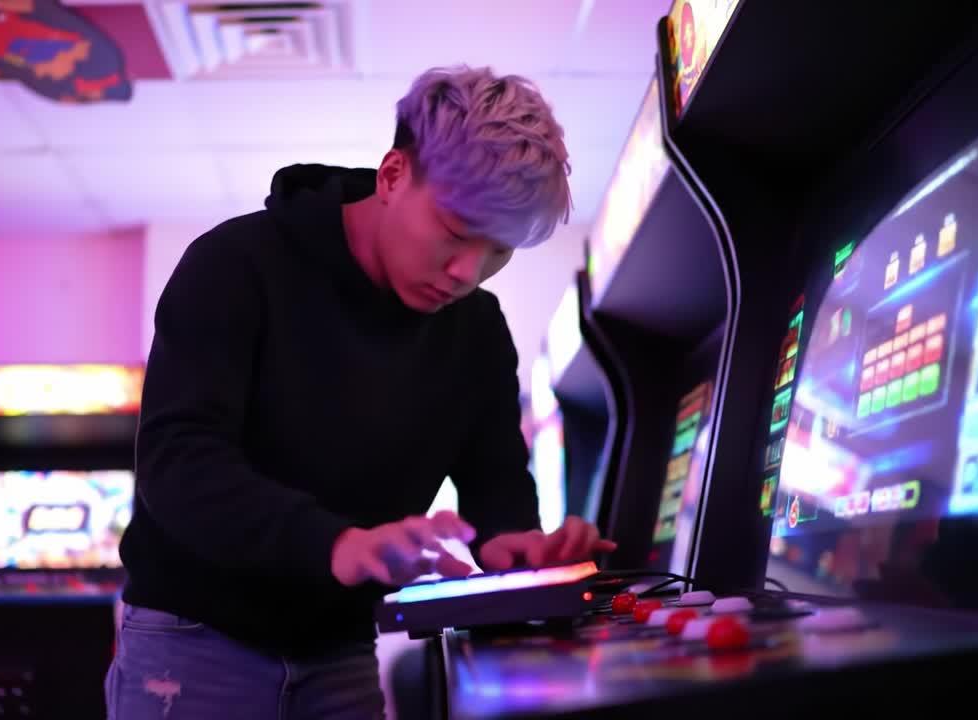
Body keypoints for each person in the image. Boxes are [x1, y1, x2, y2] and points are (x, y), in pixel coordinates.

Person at [105, 64, 615, 719]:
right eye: (457, 233)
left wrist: (517, 551)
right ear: (394, 175)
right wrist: (335, 543)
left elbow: (495, 486)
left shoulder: (477, 329)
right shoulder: (234, 266)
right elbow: (177, 465)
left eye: (498, 251)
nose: (468, 273)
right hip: (192, 645)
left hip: (339, 651)